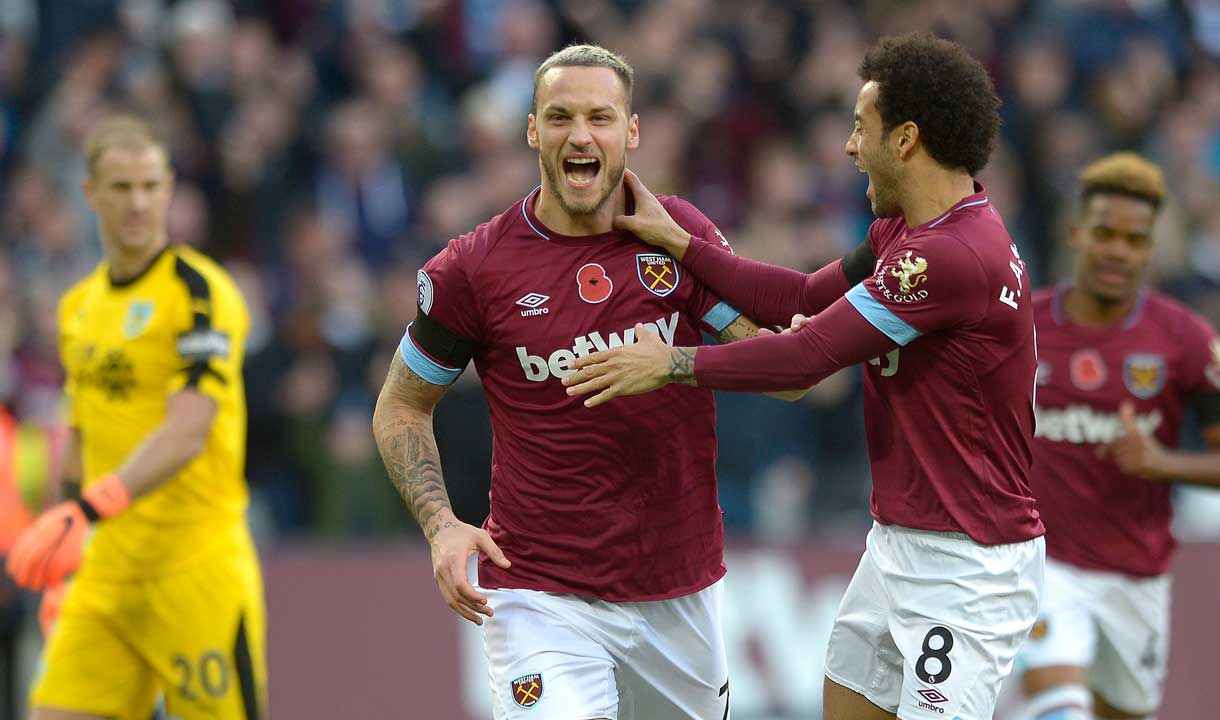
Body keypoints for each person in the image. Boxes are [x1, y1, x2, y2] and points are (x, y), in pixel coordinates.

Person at [563, 33, 1045, 720]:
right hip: (899, 543)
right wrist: (678, 240)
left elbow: (803, 356)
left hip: (968, 566)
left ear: (905, 139)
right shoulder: (902, 234)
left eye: (860, 128)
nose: (850, 148)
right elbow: (798, 299)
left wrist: (670, 363)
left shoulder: (950, 258)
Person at [372, 44, 776, 720]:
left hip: (677, 586)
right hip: (539, 593)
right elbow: (402, 407)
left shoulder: (679, 237)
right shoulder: (475, 268)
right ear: (533, 131)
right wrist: (442, 525)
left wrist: (674, 362)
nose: (580, 135)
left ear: (632, 131)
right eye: (559, 118)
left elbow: (778, 368)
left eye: (600, 117)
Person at [4, 115, 266, 720]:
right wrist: (60, 559)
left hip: (194, 571)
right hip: (105, 578)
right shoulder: (78, 308)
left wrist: (87, 509)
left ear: (169, 189)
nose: (138, 204)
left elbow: (188, 430)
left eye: (151, 186)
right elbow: (81, 440)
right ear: (90, 194)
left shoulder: (203, 294)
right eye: (122, 188)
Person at [1015, 153, 1220, 720]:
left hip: (1137, 572)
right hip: (1040, 561)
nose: (1117, 251)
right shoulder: (1021, 327)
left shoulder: (1184, 341)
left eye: (1134, 239)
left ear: (1151, 248)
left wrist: (1163, 463)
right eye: (1105, 233)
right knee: (1062, 710)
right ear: (1078, 232)